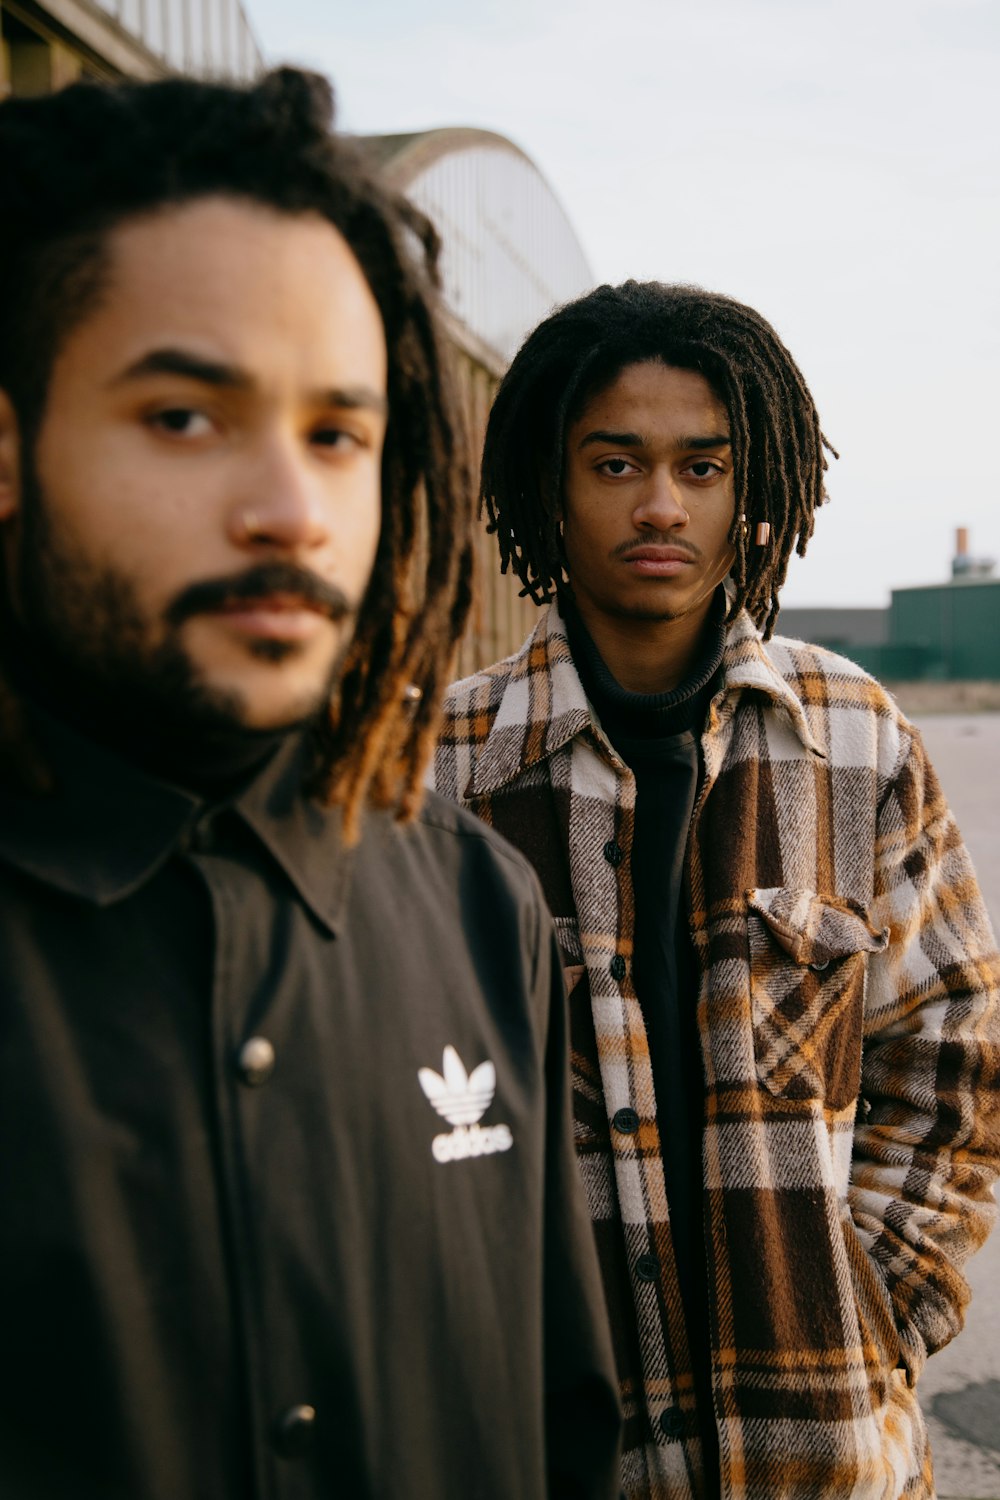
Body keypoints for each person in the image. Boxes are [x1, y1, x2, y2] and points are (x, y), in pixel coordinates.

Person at [0, 69, 621, 1500]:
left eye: (339, 434)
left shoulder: (480, 905)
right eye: (183, 417)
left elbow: (565, 1434)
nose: (291, 509)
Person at [431, 280, 1000, 1499]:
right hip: (552, 1452)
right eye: (615, 462)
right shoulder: (442, 769)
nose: (658, 505)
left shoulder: (854, 740)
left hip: (828, 1453)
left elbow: (953, 1048)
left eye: (701, 467)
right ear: (551, 480)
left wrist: (877, 1304)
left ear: (753, 491)